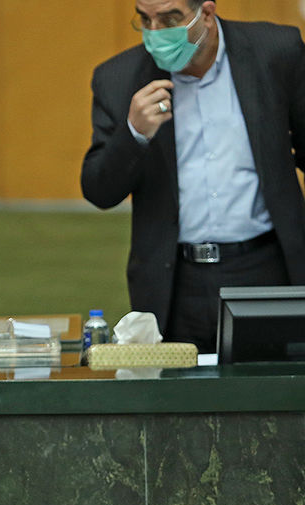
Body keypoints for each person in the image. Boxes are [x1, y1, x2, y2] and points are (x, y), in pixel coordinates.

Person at [81, 0, 305, 352]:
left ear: (207, 14)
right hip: (174, 282)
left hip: (265, 269)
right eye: (145, 19)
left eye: (169, 19)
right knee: (176, 402)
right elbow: (98, 190)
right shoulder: (118, 78)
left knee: (274, 392)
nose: (155, 33)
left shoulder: (275, 52)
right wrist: (133, 133)